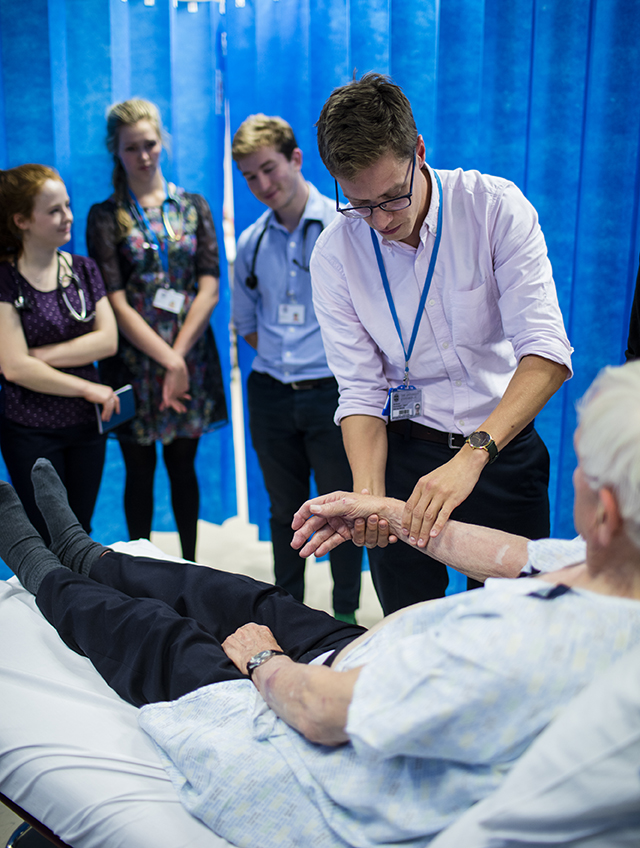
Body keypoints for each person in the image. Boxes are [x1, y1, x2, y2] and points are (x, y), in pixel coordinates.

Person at [2, 361, 640, 848]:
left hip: (310, 748)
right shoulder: (616, 572)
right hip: (357, 657)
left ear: (606, 513)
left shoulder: (516, 654)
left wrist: (263, 664)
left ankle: (38, 568)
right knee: (238, 594)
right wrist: (392, 512)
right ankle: (87, 554)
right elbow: (515, 555)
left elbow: (319, 711)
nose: (575, 477)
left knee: (160, 637)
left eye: (584, 468)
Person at [310, 73, 573, 613]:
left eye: (392, 197)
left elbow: (546, 352)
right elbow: (360, 391)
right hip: (404, 455)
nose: (380, 221)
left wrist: (474, 455)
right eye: (360, 204)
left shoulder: (493, 208)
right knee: (409, 628)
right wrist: (369, 496)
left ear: (420, 151)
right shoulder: (335, 253)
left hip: (501, 449)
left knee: (515, 628)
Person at [232, 114, 362, 622]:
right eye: (250, 177)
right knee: (284, 511)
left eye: (269, 169)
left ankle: (346, 615)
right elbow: (247, 322)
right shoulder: (251, 242)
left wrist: (317, 361)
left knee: (341, 510)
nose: (262, 185)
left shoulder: (345, 227)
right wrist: (288, 357)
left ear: (296, 159)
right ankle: (286, 613)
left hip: (332, 392)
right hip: (270, 392)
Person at [86, 99, 227, 562]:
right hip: (133, 362)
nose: (143, 156)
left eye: (149, 145)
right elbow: (115, 298)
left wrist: (180, 355)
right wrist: (168, 361)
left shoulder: (192, 206)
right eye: (132, 148)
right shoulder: (105, 217)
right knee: (139, 468)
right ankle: (141, 572)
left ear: (161, 143)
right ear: (116, 152)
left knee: (184, 466)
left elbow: (208, 285)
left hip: (192, 356)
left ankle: (191, 568)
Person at [0, 164, 119, 539]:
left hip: (86, 428)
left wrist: (35, 356)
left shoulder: (83, 270)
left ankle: (82, 600)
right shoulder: (5, 279)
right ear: (21, 220)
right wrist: (87, 387)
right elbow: (14, 370)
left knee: (80, 533)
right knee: (47, 537)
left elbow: (107, 341)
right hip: (31, 429)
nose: (67, 217)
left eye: (67, 205)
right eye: (53, 210)